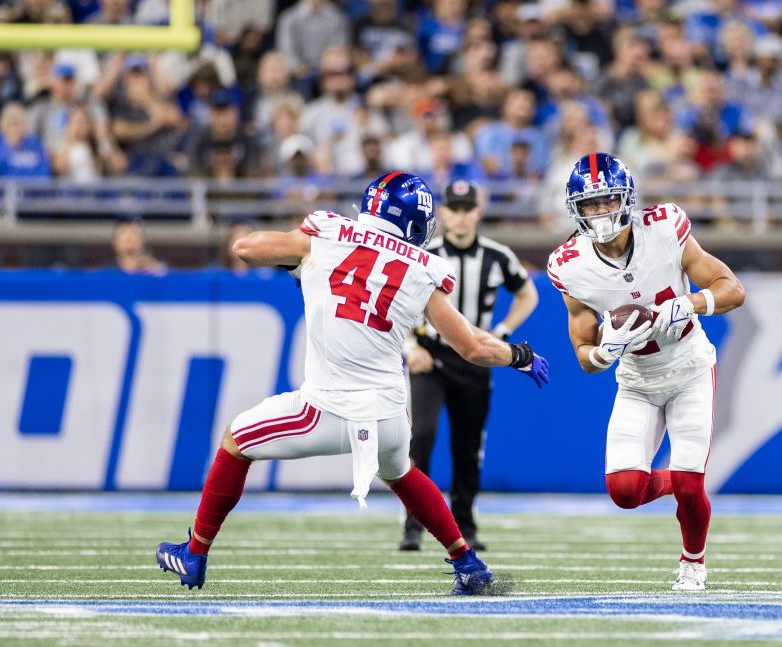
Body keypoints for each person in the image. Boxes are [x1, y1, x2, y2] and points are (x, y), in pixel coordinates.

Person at [156, 172, 551, 595]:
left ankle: (195, 554)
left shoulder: (327, 234)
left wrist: (302, 254)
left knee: (235, 441)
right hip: (390, 414)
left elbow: (245, 248)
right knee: (402, 472)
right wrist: (520, 356)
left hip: (326, 409)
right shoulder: (423, 268)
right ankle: (468, 563)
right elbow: (472, 346)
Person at [546, 152, 745, 591]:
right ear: (576, 210)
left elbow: (732, 289)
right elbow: (583, 354)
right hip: (637, 377)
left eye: (607, 201)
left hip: (688, 365)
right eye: (590, 205)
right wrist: (606, 351)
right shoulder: (567, 264)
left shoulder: (665, 227)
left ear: (628, 199)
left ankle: (693, 564)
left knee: (692, 489)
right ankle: (686, 479)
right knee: (625, 490)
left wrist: (690, 302)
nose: (600, 213)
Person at [400, 180, 540, 551]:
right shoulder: (421, 253)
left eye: (467, 209)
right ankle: (413, 523)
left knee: (468, 445)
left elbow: (528, 293)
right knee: (422, 436)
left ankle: (465, 522)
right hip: (431, 355)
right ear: (442, 212)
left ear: (477, 212)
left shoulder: (497, 255)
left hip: (476, 358)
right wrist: (410, 345)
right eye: (454, 209)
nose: (460, 218)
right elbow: (394, 303)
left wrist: (502, 331)